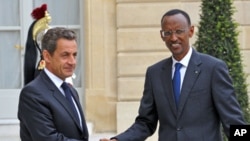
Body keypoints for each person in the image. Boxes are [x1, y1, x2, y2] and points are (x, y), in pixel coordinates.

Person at [100, 9, 246, 141]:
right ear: (162, 35)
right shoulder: (154, 73)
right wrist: (119, 140)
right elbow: (145, 123)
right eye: (167, 33)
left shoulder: (213, 68)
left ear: (191, 31)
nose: (173, 38)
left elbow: (233, 121)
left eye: (179, 31)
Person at [18, 27, 89, 141]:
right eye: (65, 55)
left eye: (74, 55)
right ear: (47, 56)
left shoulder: (71, 91)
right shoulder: (32, 94)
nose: (72, 62)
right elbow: (48, 138)